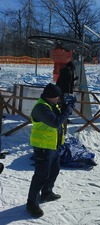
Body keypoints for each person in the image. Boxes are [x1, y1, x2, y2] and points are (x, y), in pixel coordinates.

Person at [26, 83, 75, 218]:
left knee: (54, 170)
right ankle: (31, 203)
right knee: (41, 176)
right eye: (57, 97)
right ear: (50, 97)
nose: (59, 99)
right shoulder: (41, 108)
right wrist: (68, 110)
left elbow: (60, 113)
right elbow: (55, 122)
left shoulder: (51, 105)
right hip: (43, 147)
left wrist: (66, 105)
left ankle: (47, 193)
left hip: (53, 146)